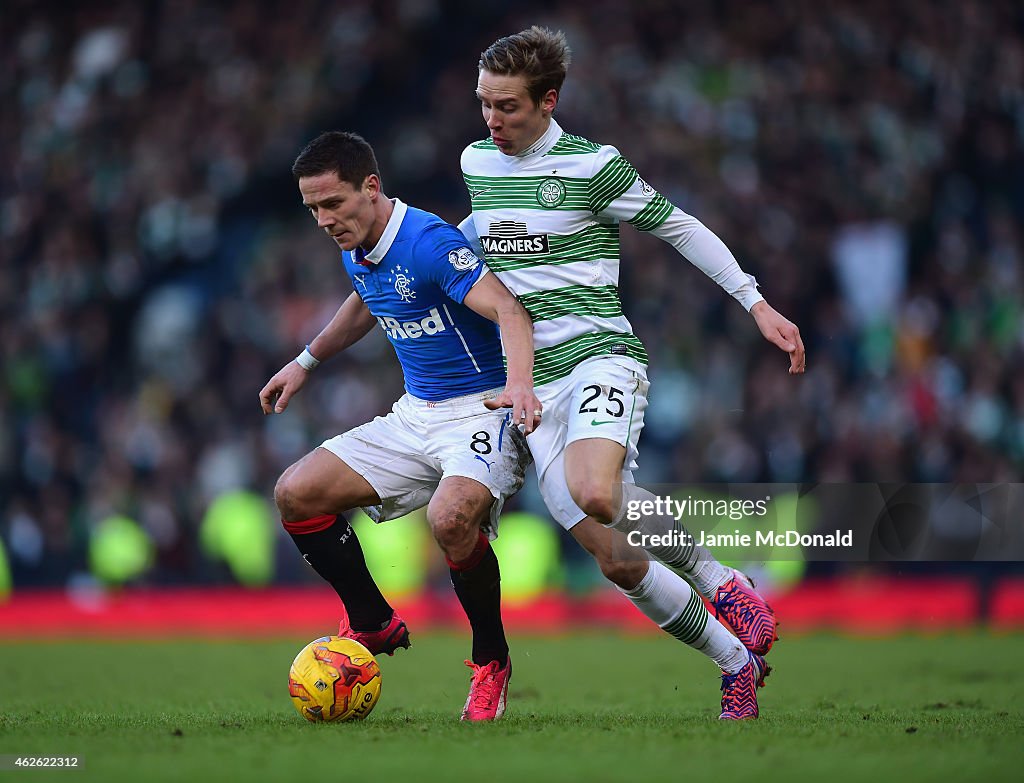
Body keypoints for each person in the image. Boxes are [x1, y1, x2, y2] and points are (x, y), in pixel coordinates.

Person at [457, 27, 807, 720]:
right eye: (484, 104)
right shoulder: (476, 160)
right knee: (617, 560)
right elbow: (481, 231)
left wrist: (755, 300)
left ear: (548, 101)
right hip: (532, 388)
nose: (492, 120)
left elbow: (679, 226)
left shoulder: (594, 166)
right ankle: (737, 663)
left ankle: (723, 581)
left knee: (595, 489)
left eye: (508, 107)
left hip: (600, 356)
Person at [260, 131, 541, 721]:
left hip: (481, 410)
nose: (324, 220)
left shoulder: (430, 243)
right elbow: (366, 300)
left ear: (371, 187)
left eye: (332, 204)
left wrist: (518, 385)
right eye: (313, 209)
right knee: (295, 493)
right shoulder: (355, 242)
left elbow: (509, 310)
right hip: (415, 413)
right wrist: (305, 361)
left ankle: (491, 660)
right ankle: (371, 620)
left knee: (450, 519)